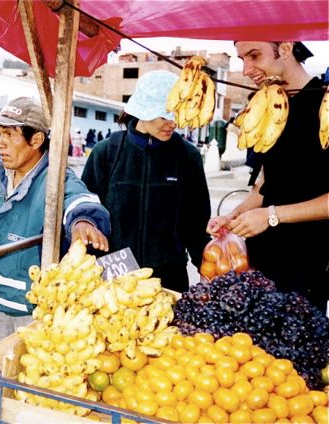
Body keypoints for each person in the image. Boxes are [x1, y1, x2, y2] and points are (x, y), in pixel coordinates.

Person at [0, 97, 110, 344]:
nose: (0, 143)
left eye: (9, 134)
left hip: (36, 311)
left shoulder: (55, 180)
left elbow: (79, 198)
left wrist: (84, 221)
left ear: (36, 140)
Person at [207, 41, 329, 313]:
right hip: (260, 261)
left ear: (285, 48)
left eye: (254, 55)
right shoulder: (263, 105)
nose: (247, 69)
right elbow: (262, 185)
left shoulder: (324, 102)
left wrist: (271, 216)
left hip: (309, 264)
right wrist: (234, 217)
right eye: (241, 59)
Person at [82, 70, 211, 293]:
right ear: (142, 112)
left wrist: (208, 269)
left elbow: (197, 223)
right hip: (114, 279)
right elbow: (87, 214)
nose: (171, 123)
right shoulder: (106, 153)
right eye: (163, 115)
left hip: (169, 280)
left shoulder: (187, 157)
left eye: (175, 115)